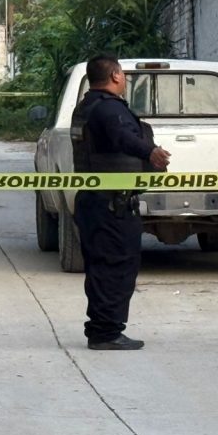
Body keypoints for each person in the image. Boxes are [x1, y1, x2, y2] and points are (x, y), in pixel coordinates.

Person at [71, 54, 171, 351]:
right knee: (116, 267)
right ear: (115, 75)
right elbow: (122, 137)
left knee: (102, 267)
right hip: (111, 206)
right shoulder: (108, 108)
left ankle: (102, 329)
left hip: (96, 201)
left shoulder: (87, 107)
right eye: (123, 74)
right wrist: (149, 152)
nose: (124, 79)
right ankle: (106, 333)